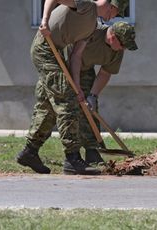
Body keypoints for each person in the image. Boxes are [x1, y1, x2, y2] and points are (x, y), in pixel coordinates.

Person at [16, 0, 126, 175]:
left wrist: (78, 88)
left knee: (50, 107)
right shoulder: (86, 6)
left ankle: (30, 152)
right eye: (115, 13)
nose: (113, 18)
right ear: (110, 6)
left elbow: (76, 56)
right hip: (45, 49)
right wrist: (44, 20)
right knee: (67, 103)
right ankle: (72, 159)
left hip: (57, 53)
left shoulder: (92, 27)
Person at [76, 21, 138, 164]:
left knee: (90, 109)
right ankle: (33, 150)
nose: (124, 49)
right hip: (63, 64)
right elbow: (71, 52)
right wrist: (75, 85)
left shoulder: (117, 51)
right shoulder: (90, 31)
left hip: (85, 68)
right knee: (64, 109)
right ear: (112, 38)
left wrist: (92, 95)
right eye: (123, 45)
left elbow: (105, 72)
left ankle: (92, 152)